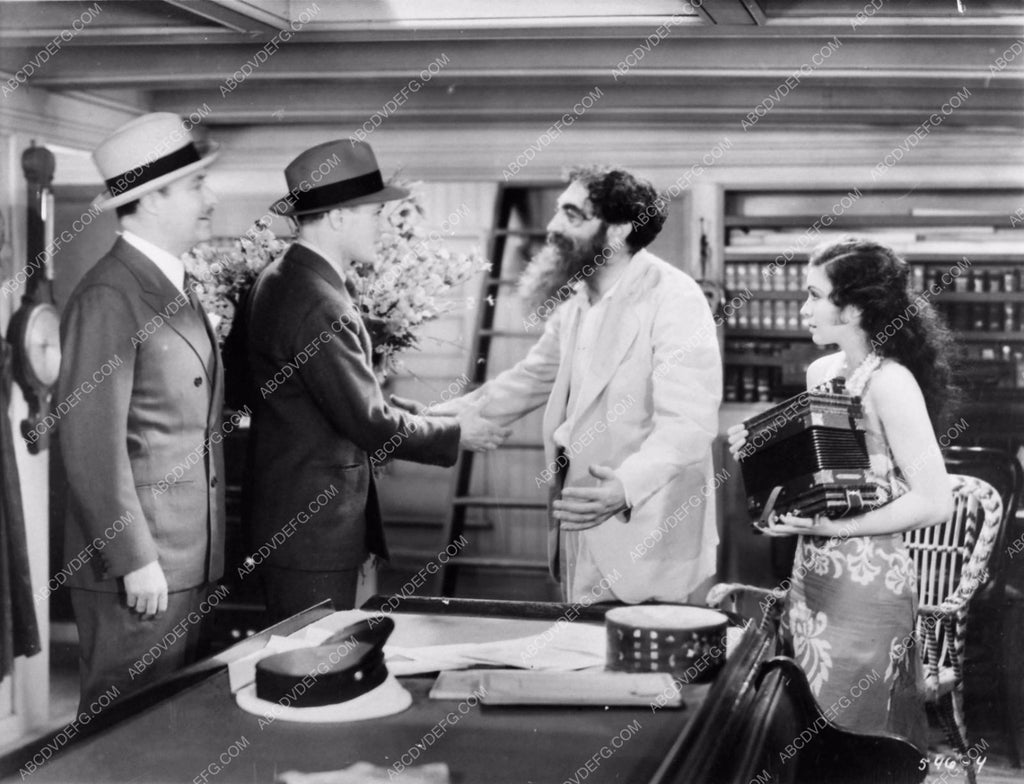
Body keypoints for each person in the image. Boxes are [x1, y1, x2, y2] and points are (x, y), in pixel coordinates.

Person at [243, 139, 509, 621]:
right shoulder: (315, 299)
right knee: (315, 659)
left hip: (302, 526)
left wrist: (432, 415)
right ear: (337, 217)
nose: (383, 225)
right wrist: (454, 433)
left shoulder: (291, 279)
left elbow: (338, 403)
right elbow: (368, 423)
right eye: (374, 213)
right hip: (312, 534)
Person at [432, 166, 723, 604]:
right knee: (580, 642)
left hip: (644, 526)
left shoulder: (675, 298)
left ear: (618, 231)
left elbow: (689, 423)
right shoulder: (577, 302)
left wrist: (625, 488)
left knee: (641, 648)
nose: (552, 226)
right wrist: (434, 419)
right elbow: (529, 378)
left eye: (572, 215)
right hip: (579, 519)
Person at [727, 238, 955, 748]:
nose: (802, 309)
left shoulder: (892, 383)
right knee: (805, 729)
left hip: (868, 588)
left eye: (814, 295)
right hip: (810, 578)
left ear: (853, 309)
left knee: (852, 736)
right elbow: (820, 482)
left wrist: (838, 527)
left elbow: (935, 500)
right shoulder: (821, 372)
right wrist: (758, 454)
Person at [58, 113, 224, 709]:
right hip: (142, 568)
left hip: (184, 563)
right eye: (196, 185)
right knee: (120, 735)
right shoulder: (111, 294)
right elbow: (91, 444)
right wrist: (135, 559)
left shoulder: (170, 283)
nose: (211, 199)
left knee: (163, 733)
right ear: (152, 198)